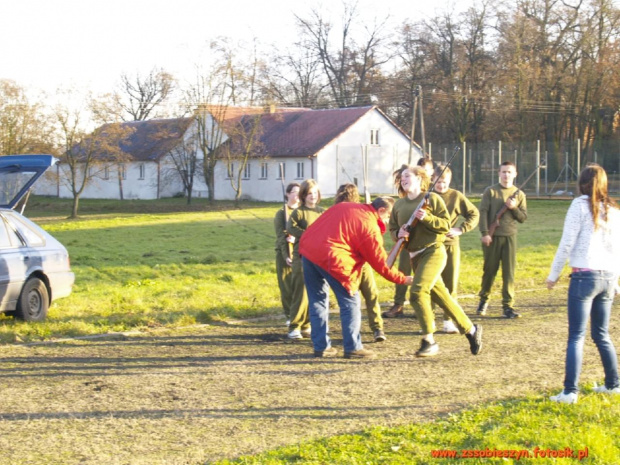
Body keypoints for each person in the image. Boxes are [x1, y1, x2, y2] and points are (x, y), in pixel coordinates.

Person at [299, 197, 414, 359]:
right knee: (350, 302)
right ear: (381, 211)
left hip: (308, 251)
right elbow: (381, 264)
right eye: (388, 217)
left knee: (317, 300)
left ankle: (321, 347)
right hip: (333, 257)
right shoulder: (369, 226)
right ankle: (353, 347)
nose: (388, 221)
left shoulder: (345, 206)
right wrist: (403, 279)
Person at [388, 164, 482, 357]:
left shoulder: (432, 199)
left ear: (419, 179)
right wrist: (399, 232)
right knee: (442, 298)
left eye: (407, 176)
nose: (403, 179)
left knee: (417, 292)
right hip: (415, 257)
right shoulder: (398, 205)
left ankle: (428, 340)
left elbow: (445, 225)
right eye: (401, 177)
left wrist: (427, 218)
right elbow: (392, 231)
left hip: (434, 252)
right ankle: (472, 330)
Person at [546, 164, 620, 403]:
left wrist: (554, 273)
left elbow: (567, 242)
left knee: (576, 336)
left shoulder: (578, 205)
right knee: (601, 334)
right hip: (607, 277)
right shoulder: (613, 209)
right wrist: (615, 280)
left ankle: (570, 392)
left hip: (584, 277)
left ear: (582, 183)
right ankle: (613, 384)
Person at [383, 157, 435, 318]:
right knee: (402, 271)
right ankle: (398, 304)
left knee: (426, 277)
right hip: (406, 244)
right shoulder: (401, 202)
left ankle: (427, 308)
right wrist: (398, 235)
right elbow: (392, 227)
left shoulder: (430, 197)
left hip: (426, 246)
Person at [334, 183, 386, 342]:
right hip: (350, 262)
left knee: (368, 294)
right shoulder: (340, 212)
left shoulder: (359, 211)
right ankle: (366, 330)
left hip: (361, 260)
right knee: (355, 297)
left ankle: (377, 328)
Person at [431, 165, 479, 334]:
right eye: (437, 181)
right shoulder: (427, 195)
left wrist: (460, 229)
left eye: (444, 182)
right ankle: (429, 320)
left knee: (450, 282)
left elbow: (474, 213)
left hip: (450, 244)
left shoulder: (456, 196)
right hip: (429, 245)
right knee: (430, 282)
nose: (440, 185)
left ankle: (448, 320)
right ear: (432, 179)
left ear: (449, 180)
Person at [477, 161, 527, 318]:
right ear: (498, 173)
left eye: (509, 172)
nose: (506, 175)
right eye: (504, 172)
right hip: (492, 238)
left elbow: (523, 218)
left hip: (509, 237)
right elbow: (483, 212)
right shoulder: (490, 191)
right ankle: (484, 300)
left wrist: (513, 208)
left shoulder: (519, 194)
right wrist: (485, 233)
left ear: (515, 174)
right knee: (489, 271)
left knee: (509, 273)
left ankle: (508, 306)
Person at [286, 179, 325, 340]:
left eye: (315, 193)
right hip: (301, 256)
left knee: (315, 292)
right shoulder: (298, 212)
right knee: (300, 291)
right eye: (309, 193)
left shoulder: (322, 211)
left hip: (319, 256)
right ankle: (294, 326)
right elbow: (290, 228)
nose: (313, 196)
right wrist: (308, 234)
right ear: (304, 195)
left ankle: (307, 324)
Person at [274, 182, 300, 326]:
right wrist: (286, 256)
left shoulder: (302, 211)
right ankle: (290, 315)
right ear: (288, 194)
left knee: (300, 286)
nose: (296, 195)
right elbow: (281, 236)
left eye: (299, 192)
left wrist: (297, 239)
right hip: (285, 254)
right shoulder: (281, 213)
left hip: (301, 252)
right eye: (294, 192)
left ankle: (302, 316)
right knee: (287, 286)